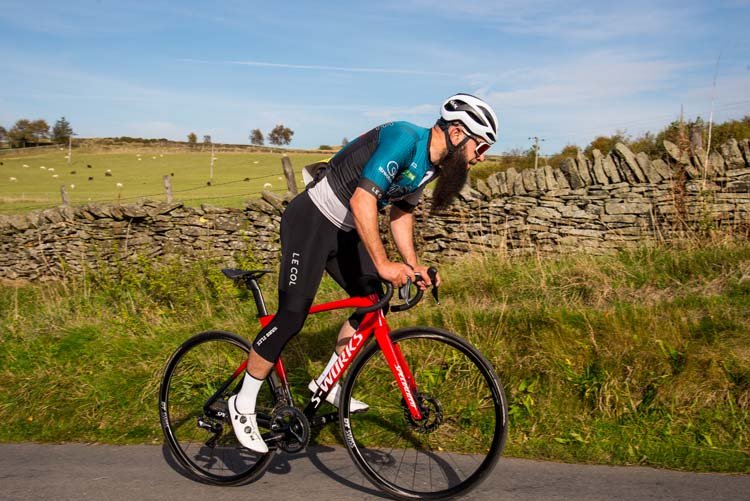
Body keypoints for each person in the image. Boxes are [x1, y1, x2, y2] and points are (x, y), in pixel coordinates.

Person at [228, 93, 499, 453]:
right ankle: (242, 402)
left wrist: (413, 264)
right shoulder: (406, 139)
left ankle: (326, 382)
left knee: (374, 301)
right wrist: (384, 264)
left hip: (344, 230)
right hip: (311, 220)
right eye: (481, 146)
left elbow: (401, 212)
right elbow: (362, 200)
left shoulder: (433, 166)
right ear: (457, 133)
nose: (482, 157)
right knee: (291, 318)